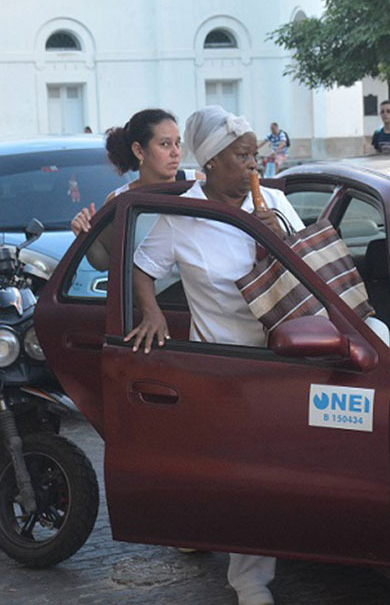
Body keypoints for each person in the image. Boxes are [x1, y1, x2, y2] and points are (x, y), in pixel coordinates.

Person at [129, 105, 299, 605]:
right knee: (245, 478)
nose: (254, 167)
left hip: (288, 357)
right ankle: (249, 581)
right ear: (211, 164)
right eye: (242, 157)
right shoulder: (185, 217)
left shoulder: (277, 202)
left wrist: (274, 234)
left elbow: (308, 274)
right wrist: (153, 312)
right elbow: (142, 268)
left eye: (256, 155)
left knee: (287, 472)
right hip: (225, 368)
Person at [71, 108, 183, 270]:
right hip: (145, 294)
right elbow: (104, 262)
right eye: (165, 144)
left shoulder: (197, 183)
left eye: (178, 143)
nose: (176, 152)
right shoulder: (120, 200)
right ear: (138, 150)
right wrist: (85, 235)